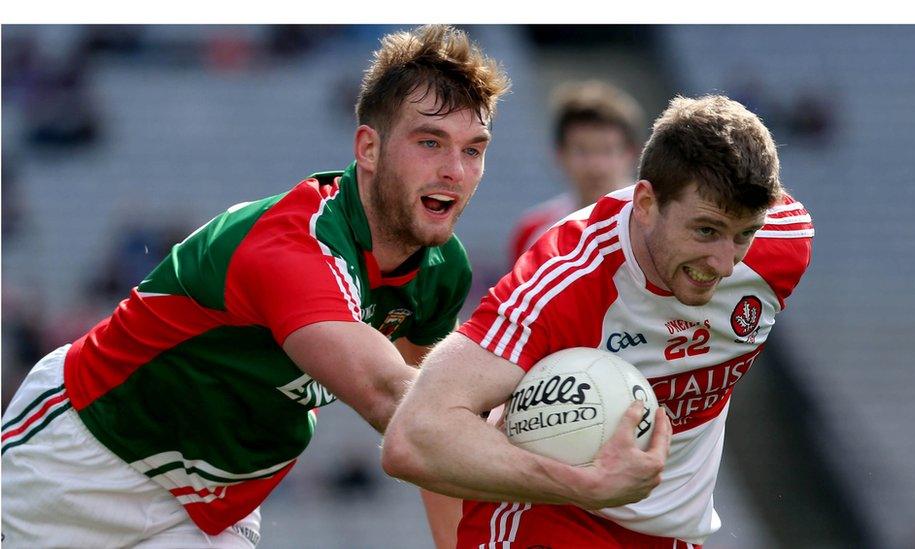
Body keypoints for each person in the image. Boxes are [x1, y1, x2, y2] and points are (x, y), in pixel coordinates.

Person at [0, 24, 509, 548]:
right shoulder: (295, 248)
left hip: (213, 503)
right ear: (369, 148)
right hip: (86, 457)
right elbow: (393, 399)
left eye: (473, 150)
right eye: (430, 142)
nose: (454, 170)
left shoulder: (441, 271)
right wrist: (556, 463)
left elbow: (424, 426)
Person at [383, 94, 814, 548]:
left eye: (744, 235)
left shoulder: (785, 244)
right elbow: (413, 437)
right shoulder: (563, 281)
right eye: (705, 230)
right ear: (645, 203)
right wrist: (584, 484)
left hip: (673, 534)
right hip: (550, 519)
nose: (725, 264)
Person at [508, 80, 644, 266]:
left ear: (631, 154)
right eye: (582, 151)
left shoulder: (654, 224)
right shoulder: (532, 231)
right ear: (559, 154)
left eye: (607, 150)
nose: (595, 165)